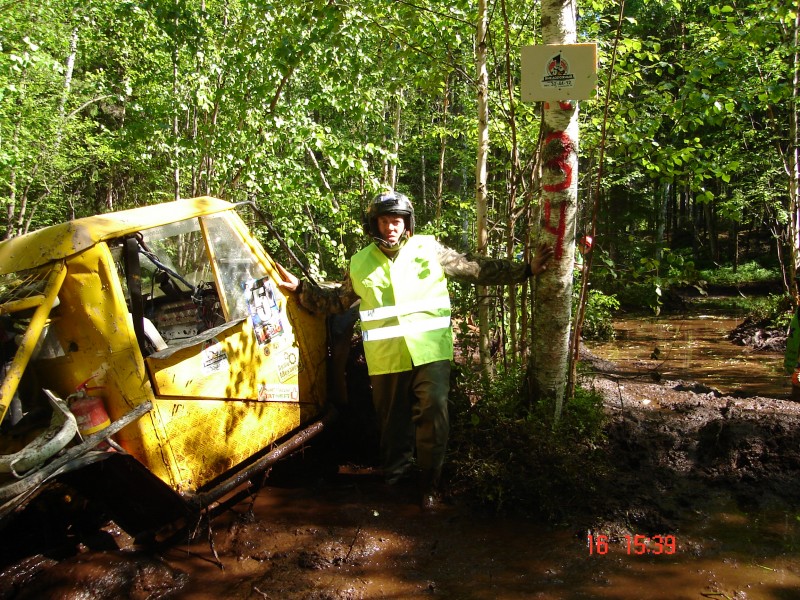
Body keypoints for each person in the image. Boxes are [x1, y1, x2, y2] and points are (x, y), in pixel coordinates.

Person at [276, 190, 553, 510]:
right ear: (374, 225)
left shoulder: (428, 249)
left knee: (434, 412)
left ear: (406, 223)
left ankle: (429, 485)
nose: (390, 227)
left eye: (396, 220)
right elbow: (336, 302)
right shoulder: (359, 262)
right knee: (392, 423)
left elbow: (475, 268)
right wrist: (300, 289)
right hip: (386, 358)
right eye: (384, 221)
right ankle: (395, 482)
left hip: (430, 352)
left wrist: (526, 270)